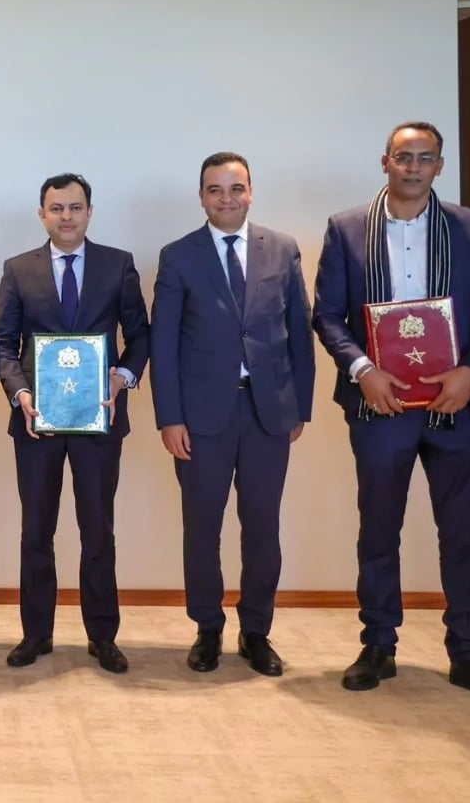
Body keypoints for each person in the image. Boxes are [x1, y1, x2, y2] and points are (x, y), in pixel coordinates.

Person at [312, 121, 470, 708]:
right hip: (380, 402)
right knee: (379, 528)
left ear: (439, 166)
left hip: (455, 402)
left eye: (424, 158)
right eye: (403, 157)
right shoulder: (346, 228)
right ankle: (378, 645)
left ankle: (469, 652)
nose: (412, 167)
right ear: (385, 161)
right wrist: (363, 370)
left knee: (463, 531)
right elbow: (327, 315)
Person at [150, 152, 315, 676]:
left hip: (269, 412)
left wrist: (300, 406)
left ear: (250, 192)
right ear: (201, 196)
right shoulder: (179, 256)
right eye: (215, 189)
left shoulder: (282, 248)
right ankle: (207, 628)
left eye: (236, 188)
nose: (227, 198)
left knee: (262, 526)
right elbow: (163, 343)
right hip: (200, 418)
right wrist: (169, 417)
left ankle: (256, 631)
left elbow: (299, 332)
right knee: (202, 527)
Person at [0, 173, 150, 673]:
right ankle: (36, 634)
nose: (66, 216)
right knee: (36, 530)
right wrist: (20, 394)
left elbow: (140, 336)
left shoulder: (117, 264)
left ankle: (102, 637)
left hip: (99, 419)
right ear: (42, 215)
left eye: (75, 207)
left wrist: (121, 378)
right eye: (57, 208)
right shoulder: (18, 268)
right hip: (37, 421)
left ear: (89, 212)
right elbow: (4, 344)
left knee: (97, 530)